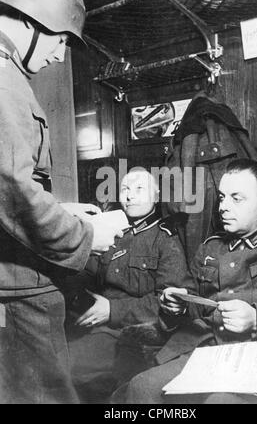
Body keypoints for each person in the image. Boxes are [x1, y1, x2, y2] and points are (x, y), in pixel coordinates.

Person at [0, 0, 123, 404]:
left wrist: (63, 208)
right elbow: (11, 188)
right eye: (62, 40)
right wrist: (87, 236)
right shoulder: (2, 79)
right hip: (20, 291)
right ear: (34, 20)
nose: (59, 55)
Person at [117, 159, 257, 404]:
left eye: (237, 198)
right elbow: (195, 305)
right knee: (142, 387)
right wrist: (178, 304)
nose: (223, 207)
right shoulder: (210, 247)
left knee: (220, 401)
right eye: (222, 197)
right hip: (210, 351)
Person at [66, 168, 191, 403]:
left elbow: (169, 303)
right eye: (125, 189)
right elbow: (87, 274)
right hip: (96, 324)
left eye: (139, 189)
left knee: (65, 367)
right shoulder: (110, 232)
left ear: (155, 197)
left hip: (133, 333)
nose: (130, 195)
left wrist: (112, 310)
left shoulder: (165, 239)